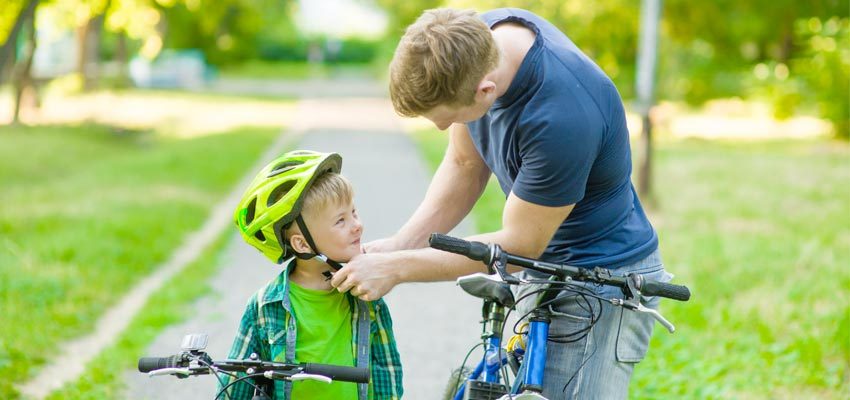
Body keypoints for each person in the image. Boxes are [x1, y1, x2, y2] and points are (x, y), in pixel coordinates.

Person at [330, 8, 674, 400]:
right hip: (542, 264)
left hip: (601, 277)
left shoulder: (561, 116)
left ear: (486, 92)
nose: (442, 129)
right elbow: (464, 163)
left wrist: (397, 268)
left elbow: (520, 245)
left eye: (446, 119)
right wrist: (400, 243)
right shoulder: (471, 43)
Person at [223, 150, 403, 399]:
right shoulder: (264, 306)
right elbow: (237, 380)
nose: (357, 225)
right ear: (303, 245)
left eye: (354, 212)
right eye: (341, 220)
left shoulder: (367, 294)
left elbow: (387, 371)